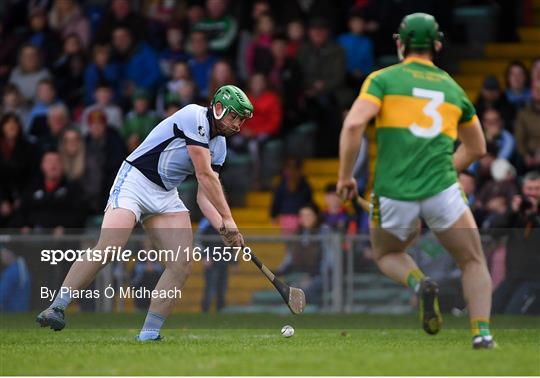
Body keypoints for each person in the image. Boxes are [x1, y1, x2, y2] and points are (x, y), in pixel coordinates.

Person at [36, 85, 253, 342]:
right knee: (111, 245)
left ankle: (149, 334)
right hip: (135, 181)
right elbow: (204, 175)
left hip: (165, 193)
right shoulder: (194, 116)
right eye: (234, 116)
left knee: (181, 263)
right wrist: (229, 219)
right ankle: (57, 306)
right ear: (218, 108)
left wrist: (224, 227)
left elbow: (204, 196)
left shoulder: (220, 146)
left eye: (241, 119)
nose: (237, 124)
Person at [337, 13, 494, 349]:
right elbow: (478, 147)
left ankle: (419, 282)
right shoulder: (453, 87)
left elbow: (353, 126)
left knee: (386, 254)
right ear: (437, 45)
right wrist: (441, 171)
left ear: (399, 43)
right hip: (442, 190)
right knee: (473, 260)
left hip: (393, 192)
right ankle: (482, 334)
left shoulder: (382, 79)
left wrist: (346, 176)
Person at [490, 171, 540, 315]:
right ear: (523, 190)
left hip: (535, 280)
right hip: (512, 277)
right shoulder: (516, 213)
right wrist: (511, 212)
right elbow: (494, 232)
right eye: (529, 189)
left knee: (512, 315)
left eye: (537, 189)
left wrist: (534, 216)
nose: (533, 193)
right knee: (492, 310)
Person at [0, 245, 30, 312]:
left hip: (11, 311)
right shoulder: (21, 266)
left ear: (9, 253)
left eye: (2, 254)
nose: (1, 257)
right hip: (20, 310)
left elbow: (2, 294)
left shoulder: (12, 271)